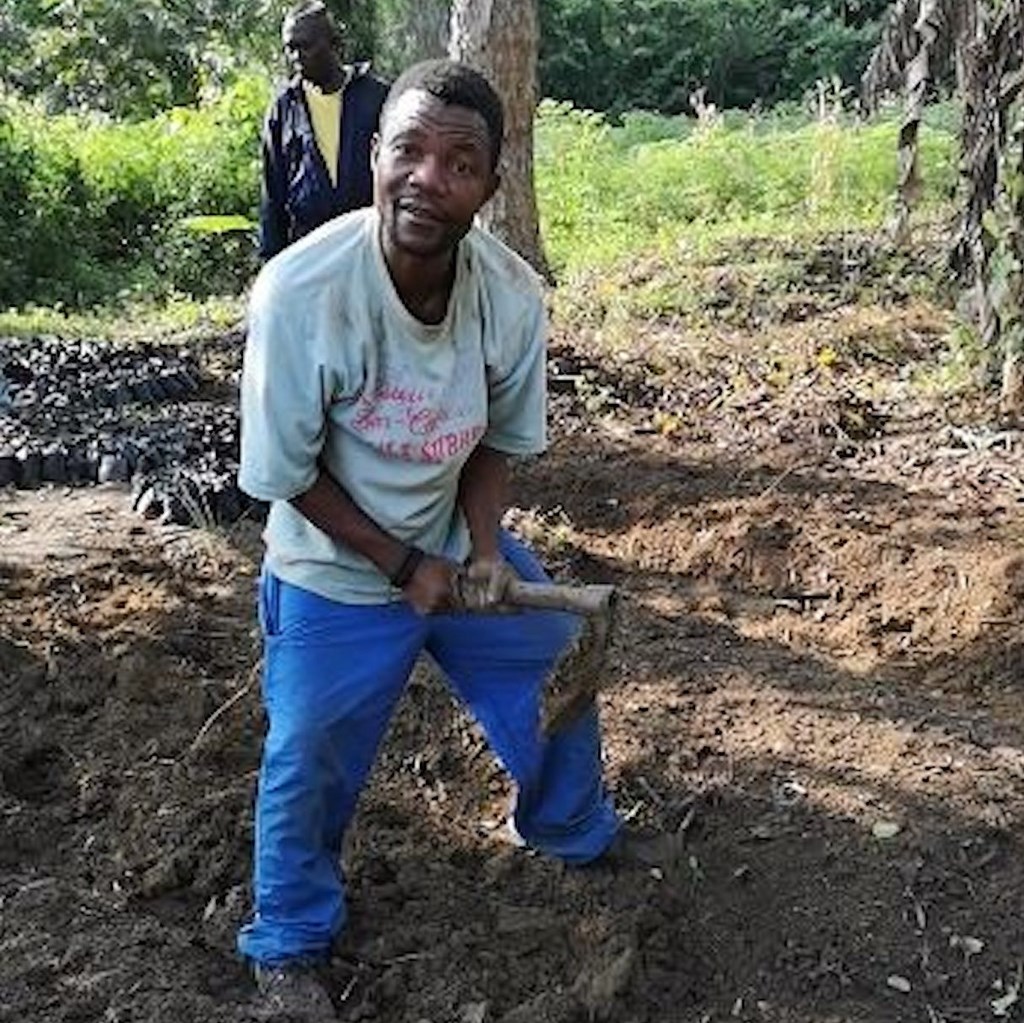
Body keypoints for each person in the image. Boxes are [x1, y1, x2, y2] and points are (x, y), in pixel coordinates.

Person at [237, 59, 633, 1019]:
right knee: (312, 749)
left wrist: (484, 551)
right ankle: (289, 942)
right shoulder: (301, 293)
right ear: (374, 158)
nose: (428, 177)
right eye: (408, 150)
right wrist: (403, 566)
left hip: (452, 548)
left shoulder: (509, 296)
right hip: (333, 565)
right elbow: (284, 475)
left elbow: (497, 438)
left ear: (490, 187)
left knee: (554, 673)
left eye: (460, 163)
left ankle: (569, 827)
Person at [258, 1, 388, 260]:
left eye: (304, 46)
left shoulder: (376, 97)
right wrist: (270, 261)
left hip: (368, 245)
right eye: (290, 49)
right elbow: (273, 193)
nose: (295, 57)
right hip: (309, 251)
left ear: (334, 44)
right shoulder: (284, 108)